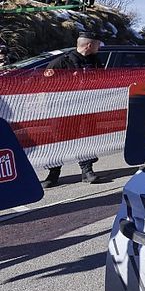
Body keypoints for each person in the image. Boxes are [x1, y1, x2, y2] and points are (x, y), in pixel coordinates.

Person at [41, 33, 106, 187]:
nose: (99, 47)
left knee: (85, 140)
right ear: (89, 45)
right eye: (97, 44)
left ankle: (87, 171)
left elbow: (103, 81)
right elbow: (46, 85)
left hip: (87, 109)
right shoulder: (61, 63)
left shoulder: (96, 62)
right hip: (63, 111)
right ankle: (53, 174)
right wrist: (69, 80)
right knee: (59, 141)